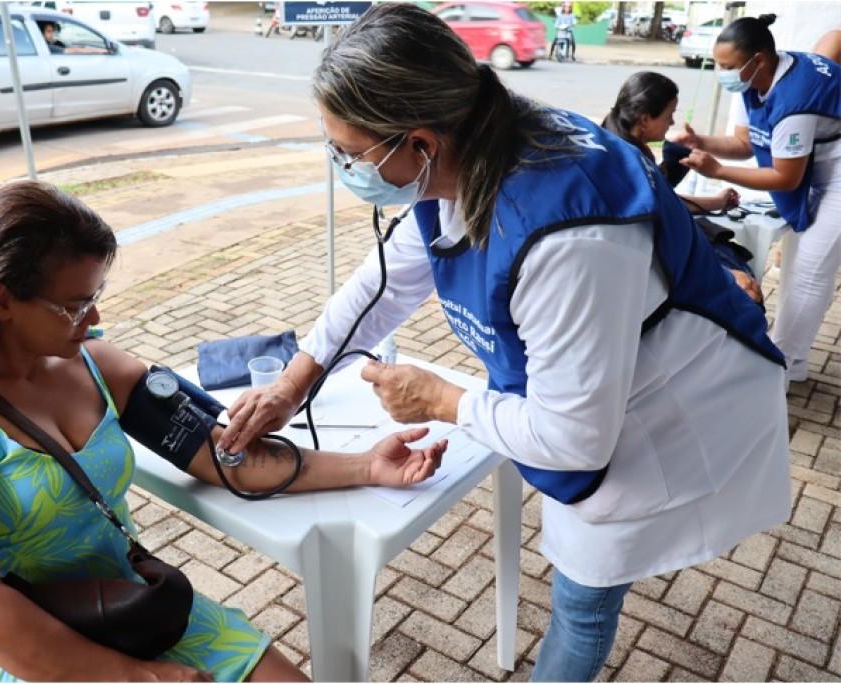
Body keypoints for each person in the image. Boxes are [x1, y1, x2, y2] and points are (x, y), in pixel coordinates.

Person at [220, 5, 790, 681]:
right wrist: (294, 382)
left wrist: (444, 399)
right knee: (578, 575)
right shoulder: (465, 153)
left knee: (582, 604)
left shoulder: (570, 237)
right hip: (598, 389)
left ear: (420, 142)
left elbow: (576, 438)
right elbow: (383, 285)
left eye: (349, 152)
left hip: (670, 406)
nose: (341, 164)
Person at [0, 181, 448, 682]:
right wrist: (135, 678)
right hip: (20, 644)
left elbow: (226, 455)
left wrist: (368, 467)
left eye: (96, 298)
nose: (94, 321)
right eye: (75, 306)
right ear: (3, 300)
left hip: (131, 606)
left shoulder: (97, 365)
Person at [673, 15, 841, 386]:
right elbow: (745, 144)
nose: (722, 73)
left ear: (758, 60)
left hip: (834, 172)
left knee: (809, 271)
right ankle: (791, 362)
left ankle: (778, 368)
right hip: (816, 162)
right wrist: (699, 141)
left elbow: (785, 176)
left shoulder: (794, 99)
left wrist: (716, 171)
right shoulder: (758, 80)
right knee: (802, 261)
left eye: (728, 67)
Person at [602, 71, 762, 304]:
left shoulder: (613, 135)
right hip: (648, 259)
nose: (672, 122)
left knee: (741, 277)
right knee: (747, 292)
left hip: (651, 249)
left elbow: (659, 199)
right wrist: (723, 274)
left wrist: (678, 159)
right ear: (645, 120)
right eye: (669, 115)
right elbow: (658, 216)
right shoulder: (629, 161)